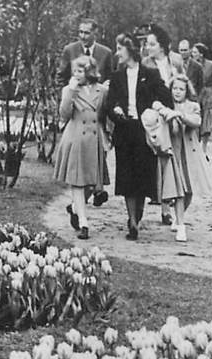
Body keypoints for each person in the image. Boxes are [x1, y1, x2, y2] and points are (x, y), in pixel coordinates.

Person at [99, 33, 174, 241]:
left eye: (120, 49)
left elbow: (165, 96)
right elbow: (110, 104)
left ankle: (137, 215)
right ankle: (132, 220)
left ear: (130, 50)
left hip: (144, 132)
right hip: (124, 130)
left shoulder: (149, 74)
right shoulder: (116, 77)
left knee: (142, 176)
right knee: (126, 176)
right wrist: (116, 109)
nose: (117, 53)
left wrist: (156, 109)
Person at [54, 55, 109, 240]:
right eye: (74, 71)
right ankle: (84, 222)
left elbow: (103, 115)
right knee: (77, 182)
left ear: (90, 71)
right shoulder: (69, 90)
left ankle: (75, 207)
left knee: (91, 183)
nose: (76, 75)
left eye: (80, 71)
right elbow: (64, 114)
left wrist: (108, 136)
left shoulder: (102, 90)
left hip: (94, 140)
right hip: (76, 138)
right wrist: (70, 90)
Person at [161, 73, 212, 242]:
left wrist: (180, 116)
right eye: (174, 88)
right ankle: (181, 226)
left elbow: (196, 121)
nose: (177, 92)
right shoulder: (165, 106)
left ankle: (178, 216)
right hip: (173, 151)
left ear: (186, 91)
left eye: (181, 89)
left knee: (189, 190)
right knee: (179, 191)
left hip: (189, 152)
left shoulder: (192, 106)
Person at [142, 24, 184, 226]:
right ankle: (164, 206)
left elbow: (183, 83)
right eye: (147, 44)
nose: (148, 47)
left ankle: (173, 200)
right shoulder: (145, 64)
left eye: (151, 44)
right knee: (161, 157)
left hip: (174, 113)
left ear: (162, 46)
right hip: (157, 113)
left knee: (174, 156)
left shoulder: (175, 61)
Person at [56, 18, 115, 86]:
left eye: (87, 33)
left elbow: (110, 78)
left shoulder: (106, 53)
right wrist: (67, 93)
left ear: (95, 34)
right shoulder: (69, 50)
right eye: (81, 32)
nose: (82, 36)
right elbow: (61, 77)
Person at [192, 42, 212, 156]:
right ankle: (195, 145)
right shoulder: (192, 65)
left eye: (195, 52)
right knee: (196, 119)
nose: (192, 54)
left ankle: (203, 148)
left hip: (208, 95)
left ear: (201, 54)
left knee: (207, 122)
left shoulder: (211, 65)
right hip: (196, 94)